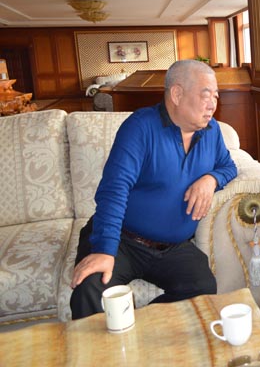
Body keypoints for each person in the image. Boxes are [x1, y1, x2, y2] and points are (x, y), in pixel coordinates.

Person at [70, 59, 237, 319]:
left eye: (216, 96)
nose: (213, 104)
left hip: (173, 247)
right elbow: (114, 189)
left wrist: (211, 179)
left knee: (202, 287)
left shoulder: (212, 131)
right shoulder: (140, 127)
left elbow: (228, 166)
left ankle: (140, 328)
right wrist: (104, 250)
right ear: (177, 94)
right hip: (124, 239)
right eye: (206, 95)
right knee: (90, 289)